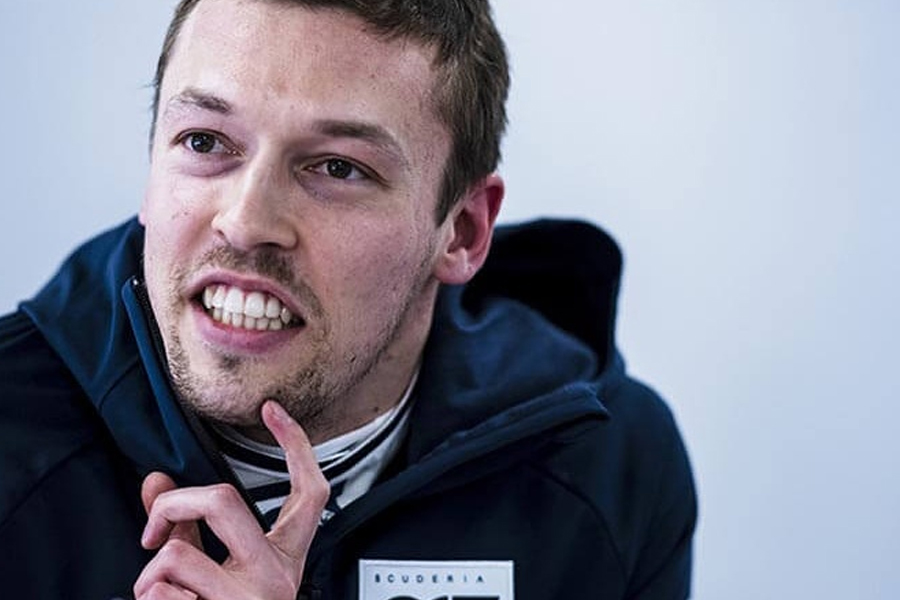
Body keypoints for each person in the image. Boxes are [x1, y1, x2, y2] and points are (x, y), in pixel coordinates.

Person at [0, 0, 697, 598]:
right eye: (205, 141)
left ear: (461, 231)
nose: (246, 222)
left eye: (338, 167)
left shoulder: (609, 466)